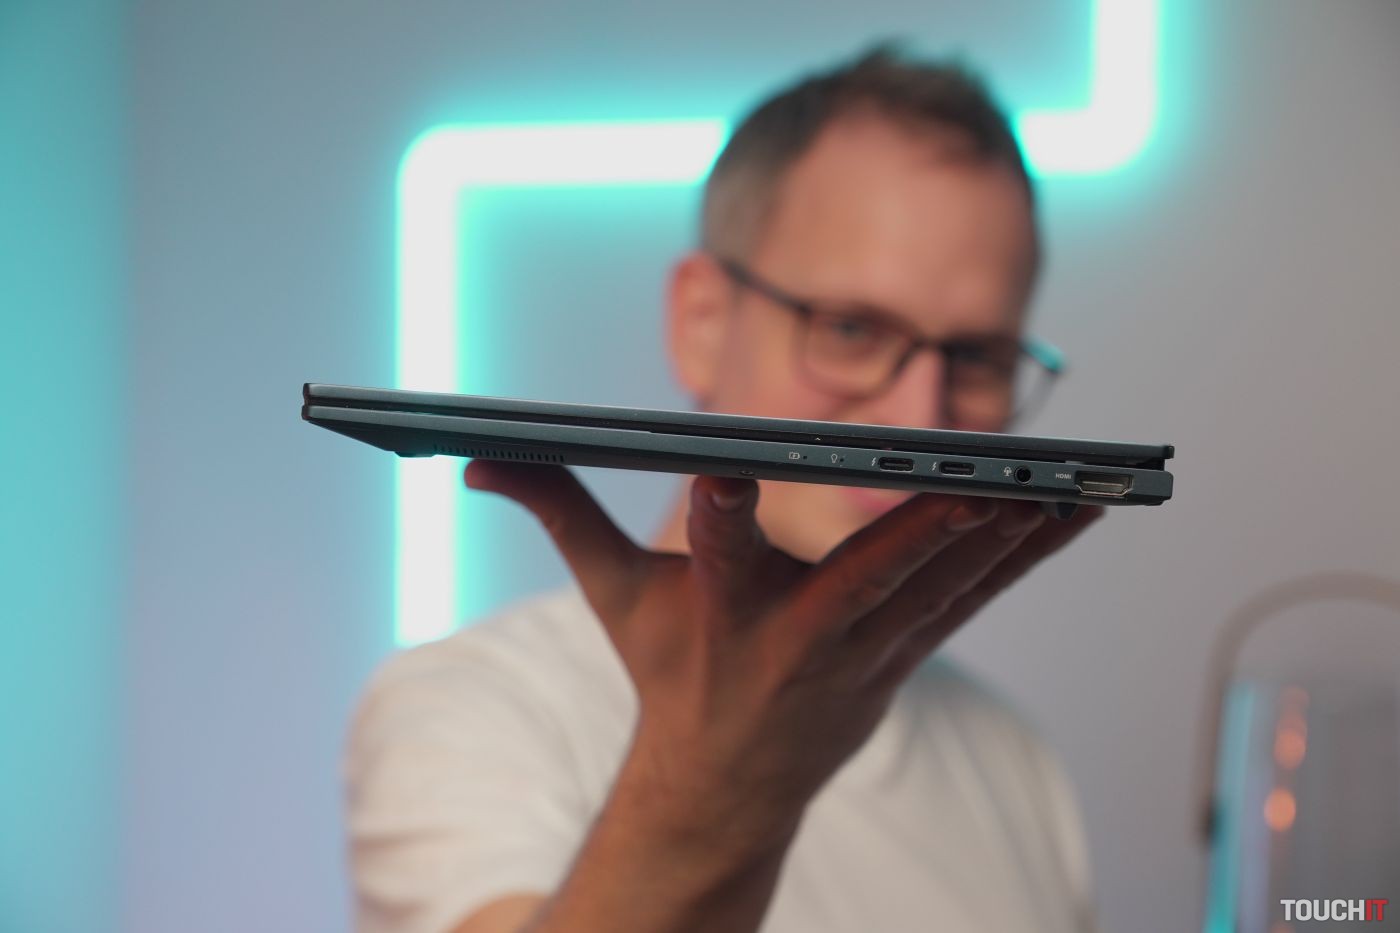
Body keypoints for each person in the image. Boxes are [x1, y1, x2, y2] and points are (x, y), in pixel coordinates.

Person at [345, 44, 1106, 933]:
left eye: (977, 358)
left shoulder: (1015, 762)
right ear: (702, 322)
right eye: (851, 329)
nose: (921, 418)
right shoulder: (473, 702)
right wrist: (716, 791)